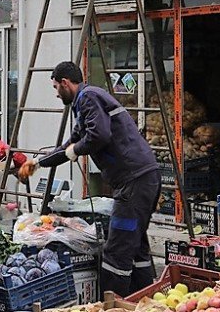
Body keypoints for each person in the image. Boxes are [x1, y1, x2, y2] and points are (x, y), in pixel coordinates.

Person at [19, 61, 160, 296]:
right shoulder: (83, 104)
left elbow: (99, 135)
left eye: (56, 87)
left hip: (134, 181)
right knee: (136, 247)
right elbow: (70, 145)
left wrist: (75, 151)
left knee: (116, 250)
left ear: (65, 83)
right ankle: (144, 300)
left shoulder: (88, 97)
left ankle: (111, 309)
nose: (56, 94)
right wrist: (39, 162)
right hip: (142, 178)